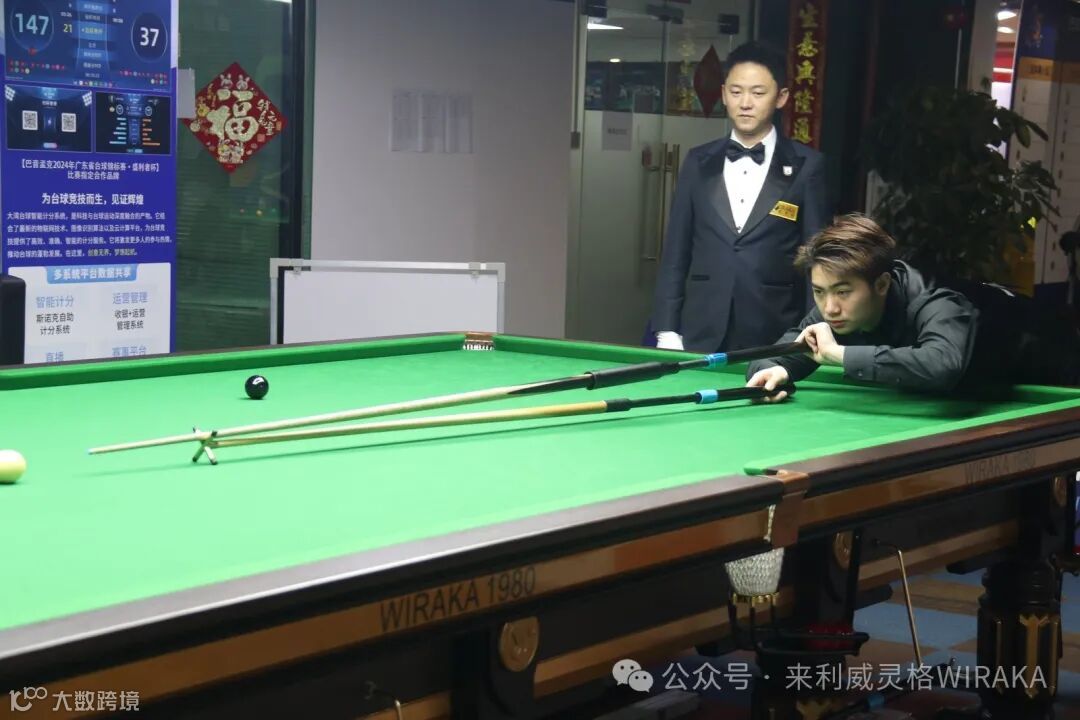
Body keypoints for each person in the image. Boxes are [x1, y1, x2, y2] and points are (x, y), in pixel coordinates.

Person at [745, 214, 1080, 401]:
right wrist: (776, 371)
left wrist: (840, 355)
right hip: (983, 384)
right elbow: (777, 354)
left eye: (842, 292)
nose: (829, 307)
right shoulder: (837, 306)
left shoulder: (937, 300)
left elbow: (942, 364)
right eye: (819, 292)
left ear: (881, 285)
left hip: (1052, 359)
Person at [651, 41, 828, 354]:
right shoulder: (697, 162)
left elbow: (817, 260)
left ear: (781, 97)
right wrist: (667, 328)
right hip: (700, 327)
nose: (745, 103)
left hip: (775, 329)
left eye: (758, 93)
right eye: (736, 92)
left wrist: (813, 330)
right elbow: (676, 251)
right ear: (723, 94)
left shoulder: (807, 166)